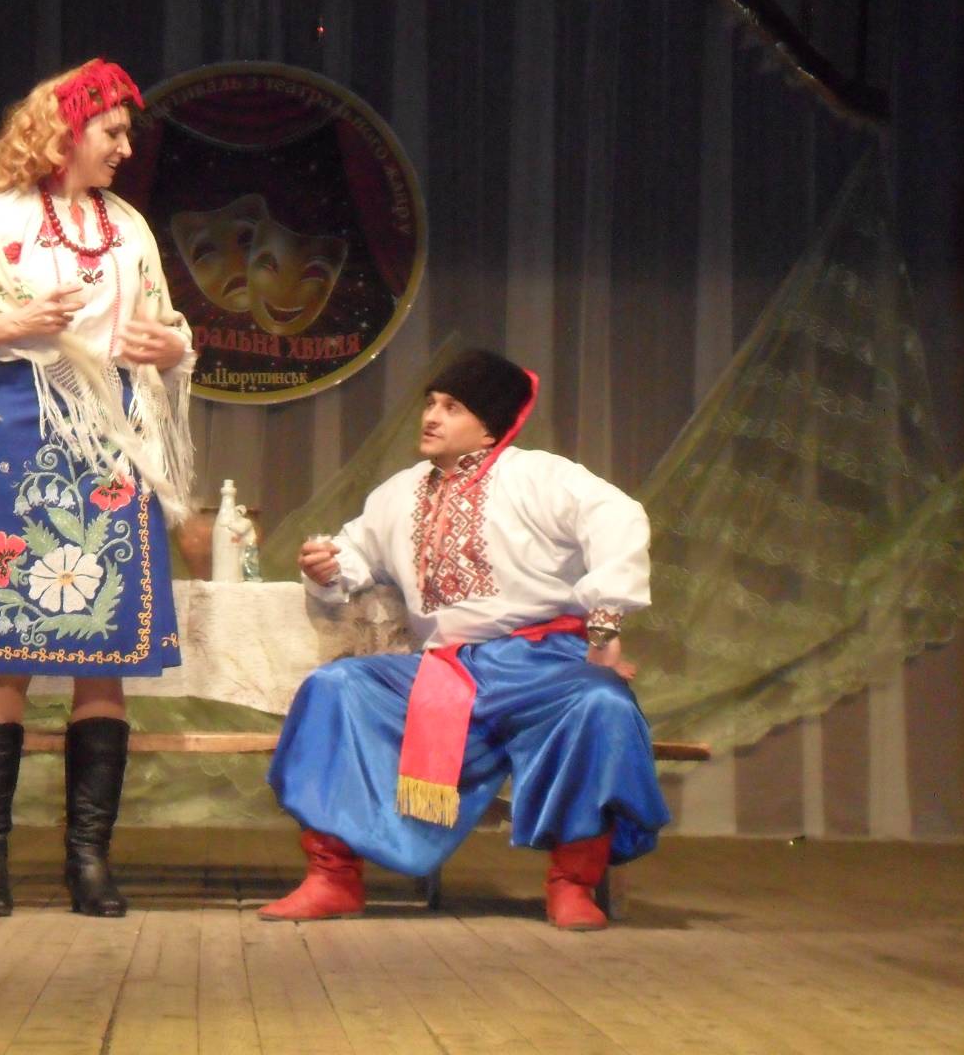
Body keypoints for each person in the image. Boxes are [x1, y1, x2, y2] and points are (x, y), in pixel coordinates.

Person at [0, 58, 194, 919]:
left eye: (128, 134)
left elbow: (167, 331)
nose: (126, 148)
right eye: (113, 132)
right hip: (24, 436)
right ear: (66, 133)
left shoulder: (128, 228)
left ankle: (87, 861)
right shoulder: (4, 219)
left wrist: (175, 349)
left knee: (106, 663)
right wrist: (7, 324)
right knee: (6, 652)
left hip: (114, 447)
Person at [262, 349, 670, 930]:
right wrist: (329, 567)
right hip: (446, 670)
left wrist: (605, 617)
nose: (431, 417)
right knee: (337, 688)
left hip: (541, 666)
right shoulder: (399, 493)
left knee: (600, 703)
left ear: (490, 425)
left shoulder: (539, 477)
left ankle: (572, 882)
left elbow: (619, 517)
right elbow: (356, 551)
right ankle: (333, 878)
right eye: (430, 404)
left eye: (452, 407)